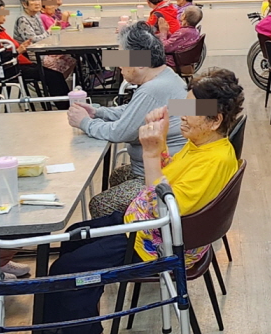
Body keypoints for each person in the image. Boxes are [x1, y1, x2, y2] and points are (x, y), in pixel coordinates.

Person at [33, 69, 245, 334]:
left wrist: (149, 152)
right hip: (145, 227)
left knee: (69, 270)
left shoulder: (214, 161)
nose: (182, 115)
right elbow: (169, 177)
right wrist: (159, 143)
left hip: (156, 244)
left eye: (190, 110)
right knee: (74, 236)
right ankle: (85, 333)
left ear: (215, 120)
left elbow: (162, 209)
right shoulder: (201, 145)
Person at [71, 21, 188, 219]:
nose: (119, 66)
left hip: (161, 174)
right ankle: (127, 226)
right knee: (117, 175)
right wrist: (99, 113)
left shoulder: (152, 89)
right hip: (168, 165)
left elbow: (119, 133)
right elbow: (134, 111)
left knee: (100, 204)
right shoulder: (168, 76)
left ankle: (130, 234)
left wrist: (85, 122)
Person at [0, 0, 69, 103]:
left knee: (55, 74)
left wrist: (22, 48)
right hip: (12, 69)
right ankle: (65, 106)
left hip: (20, 64)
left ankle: (66, 103)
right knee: (54, 76)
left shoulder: (0, 30)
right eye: (3, 11)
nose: (6, 14)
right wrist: (17, 51)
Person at [13, 0, 75, 81]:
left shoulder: (36, 16)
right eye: (33, 0)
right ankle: (55, 83)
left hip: (42, 51)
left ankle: (58, 83)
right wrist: (50, 31)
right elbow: (32, 41)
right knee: (62, 63)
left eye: (38, 0)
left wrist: (53, 30)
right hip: (32, 56)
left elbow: (43, 36)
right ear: (24, 4)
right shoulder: (22, 19)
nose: (37, 3)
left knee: (70, 59)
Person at [163, 6, 205, 74]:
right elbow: (177, 43)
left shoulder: (183, 32)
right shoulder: (194, 31)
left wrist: (163, 32)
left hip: (173, 63)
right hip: (183, 61)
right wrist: (168, 33)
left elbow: (165, 48)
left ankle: (144, 76)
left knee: (145, 52)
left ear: (183, 16)